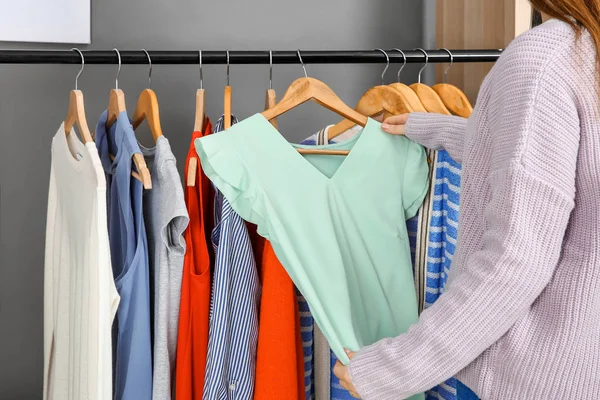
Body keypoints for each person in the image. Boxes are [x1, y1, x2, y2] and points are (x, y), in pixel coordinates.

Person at [333, 1, 600, 399]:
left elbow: (516, 260)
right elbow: (579, 168)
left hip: (536, 379)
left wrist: (393, 370)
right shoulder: (586, 56)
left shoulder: (544, 59)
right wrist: (449, 130)